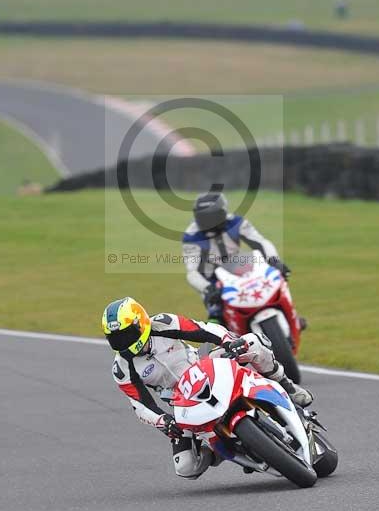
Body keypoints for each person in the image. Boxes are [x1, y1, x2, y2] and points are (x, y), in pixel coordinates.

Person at [103, 296, 313, 480]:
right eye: (115, 338)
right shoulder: (121, 368)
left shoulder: (163, 323)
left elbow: (203, 329)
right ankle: (221, 451)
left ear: (141, 323)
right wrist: (163, 421)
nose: (122, 342)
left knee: (251, 342)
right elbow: (140, 405)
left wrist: (228, 341)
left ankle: (286, 384)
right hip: (182, 402)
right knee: (186, 467)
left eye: (127, 334)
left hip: (205, 366)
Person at [183, 192, 291, 324]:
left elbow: (261, 242)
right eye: (202, 218)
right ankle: (216, 337)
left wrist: (275, 261)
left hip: (240, 268)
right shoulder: (191, 236)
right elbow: (192, 272)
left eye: (211, 217)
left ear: (222, 213)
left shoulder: (237, 222)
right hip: (213, 279)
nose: (207, 222)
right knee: (216, 314)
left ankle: (292, 317)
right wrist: (208, 288)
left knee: (276, 283)